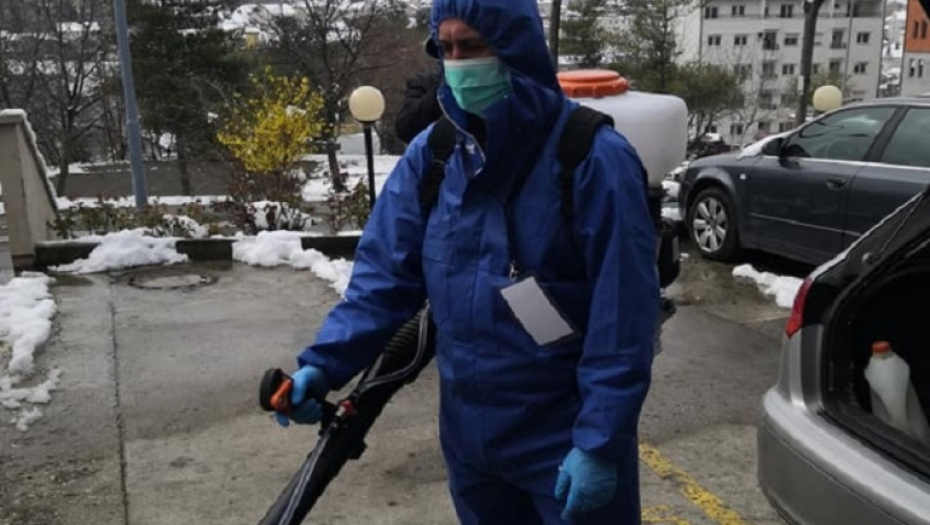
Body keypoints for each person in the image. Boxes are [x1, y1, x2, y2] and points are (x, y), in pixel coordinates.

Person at [276, 0, 658, 523]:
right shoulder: (435, 155)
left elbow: (624, 318)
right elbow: (383, 279)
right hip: (470, 437)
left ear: (516, 48)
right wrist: (323, 364)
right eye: (447, 48)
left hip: (564, 435)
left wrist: (599, 440)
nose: (458, 63)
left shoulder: (593, 158)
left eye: (473, 46)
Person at [394, 40, 443, 144]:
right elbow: (405, 129)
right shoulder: (424, 83)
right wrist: (441, 90)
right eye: (447, 48)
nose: (456, 55)